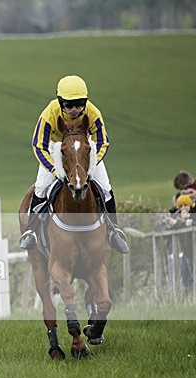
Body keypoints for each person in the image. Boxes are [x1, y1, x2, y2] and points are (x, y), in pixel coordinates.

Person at [20, 75, 129, 254]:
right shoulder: (50, 113)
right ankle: (31, 231)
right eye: (69, 105)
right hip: (55, 149)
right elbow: (38, 145)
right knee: (40, 188)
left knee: (106, 188)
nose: (74, 109)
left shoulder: (93, 112)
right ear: (60, 102)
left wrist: (90, 165)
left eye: (79, 104)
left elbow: (102, 142)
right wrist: (55, 169)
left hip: (84, 151)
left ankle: (113, 230)